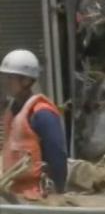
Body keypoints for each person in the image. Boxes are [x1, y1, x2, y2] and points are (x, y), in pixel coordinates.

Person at [0, 50, 67, 199]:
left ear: (26, 81)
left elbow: (57, 156)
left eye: (11, 78)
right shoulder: (12, 108)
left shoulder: (42, 114)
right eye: (5, 77)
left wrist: (58, 194)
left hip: (36, 194)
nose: (5, 82)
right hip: (12, 192)